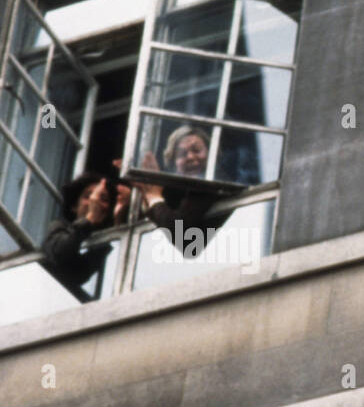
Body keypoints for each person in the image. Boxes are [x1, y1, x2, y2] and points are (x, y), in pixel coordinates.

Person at [135, 126, 231, 256]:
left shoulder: (215, 184)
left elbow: (185, 239)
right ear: (174, 165)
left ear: (212, 153)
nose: (190, 157)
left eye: (197, 150)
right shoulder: (177, 195)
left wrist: (153, 197)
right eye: (182, 154)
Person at [39, 170, 131, 301]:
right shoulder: (59, 227)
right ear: (74, 206)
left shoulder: (106, 243)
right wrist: (90, 218)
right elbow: (58, 255)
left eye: (104, 199)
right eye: (88, 197)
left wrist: (118, 223)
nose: (95, 202)